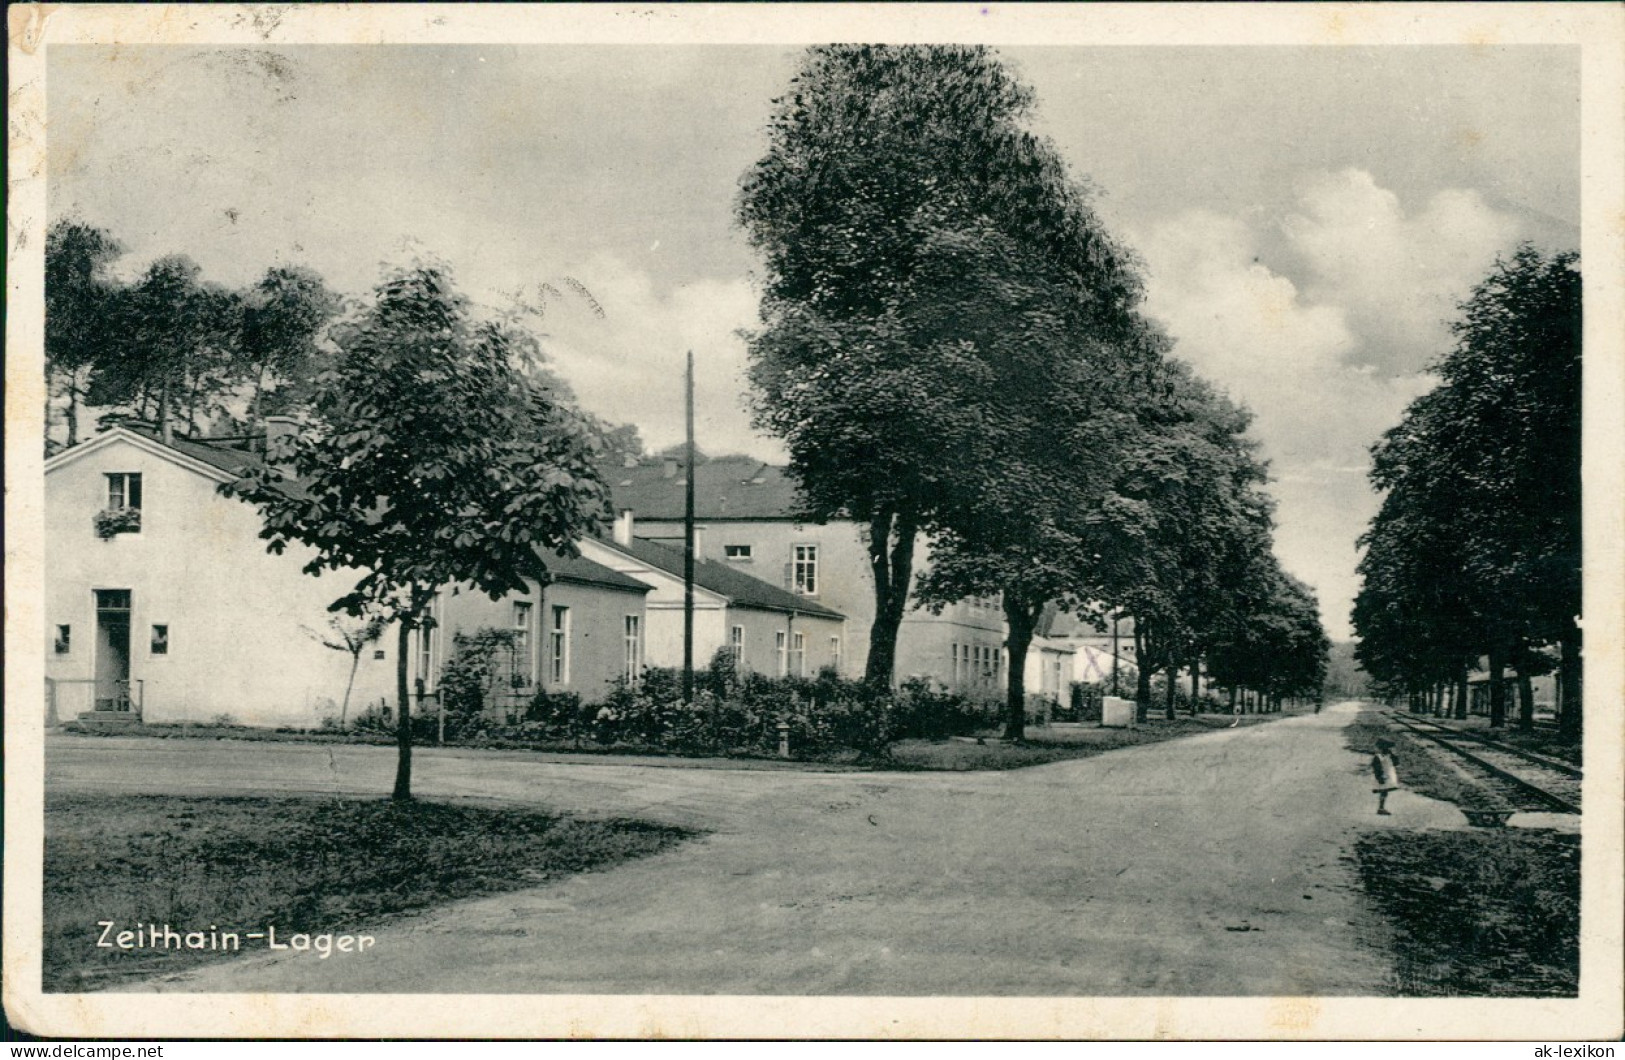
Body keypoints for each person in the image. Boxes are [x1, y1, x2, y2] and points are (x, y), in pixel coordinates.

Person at [1371, 738, 1401, 815]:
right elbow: (1376, 768)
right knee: (1383, 792)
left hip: (1388, 776)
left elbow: (1396, 763)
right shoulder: (1378, 757)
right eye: (1386, 748)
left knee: (1384, 792)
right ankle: (1381, 808)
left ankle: (1381, 807)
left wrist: (1394, 755)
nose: (1387, 750)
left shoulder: (1389, 755)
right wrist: (1379, 777)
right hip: (1383, 776)